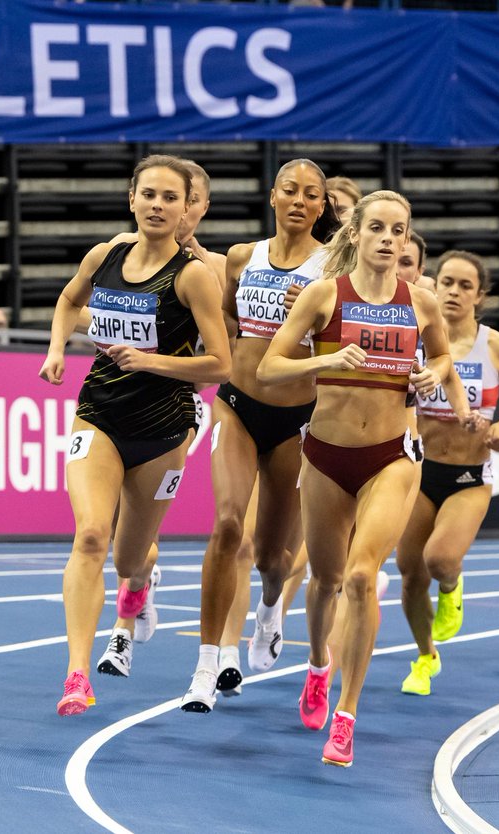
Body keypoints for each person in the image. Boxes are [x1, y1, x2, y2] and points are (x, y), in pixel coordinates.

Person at [258, 190, 453, 767]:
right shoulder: (324, 296)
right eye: (378, 228)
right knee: (324, 579)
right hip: (324, 455)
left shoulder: (421, 303)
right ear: (357, 235)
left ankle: (346, 714)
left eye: (400, 229)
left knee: (363, 577)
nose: (389, 239)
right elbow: (269, 367)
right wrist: (326, 360)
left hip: (393, 457)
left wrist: (430, 375)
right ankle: (318, 665)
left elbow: (443, 360)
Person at [38, 154, 231, 716]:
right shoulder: (105, 256)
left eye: (171, 197)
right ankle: (77, 674)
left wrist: (151, 362)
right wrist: (55, 349)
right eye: (149, 194)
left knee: (127, 557)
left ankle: (141, 579)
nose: (158, 205)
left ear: (185, 209)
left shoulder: (194, 276)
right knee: (91, 535)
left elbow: (220, 365)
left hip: (164, 429)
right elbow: (70, 300)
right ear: (132, 199)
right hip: (98, 414)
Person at [179, 159, 340, 713]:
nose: (299, 200)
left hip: (298, 423)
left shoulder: (333, 269)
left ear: (323, 207)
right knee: (227, 526)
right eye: (290, 190)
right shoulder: (243, 258)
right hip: (237, 407)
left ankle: (270, 609)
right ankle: (204, 665)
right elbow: (222, 321)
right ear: (272, 196)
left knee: (274, 558)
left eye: (311, 195)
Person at [93, 159, 223, 678]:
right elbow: (85, 306)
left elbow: (227, 346)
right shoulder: (123, 252)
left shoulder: (209, 270)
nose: (172, 208)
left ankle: (121, 632)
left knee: (134, 518)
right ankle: (134, 604)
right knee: (117, 530)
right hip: (116, 394)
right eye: (161, 195)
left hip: (179, 405)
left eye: (185, 200)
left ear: (200, 206)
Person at [397, 250, 499, 696]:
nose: (454, 292)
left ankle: (452, 585)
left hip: (468, 476)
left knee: (439, 559)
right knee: (408, 571)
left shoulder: (497, 346)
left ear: (480, 296)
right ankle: (425, 657)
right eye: (447, 282)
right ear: (433, 285)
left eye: (465, 286)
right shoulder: (415, 337)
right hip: (418, 471)